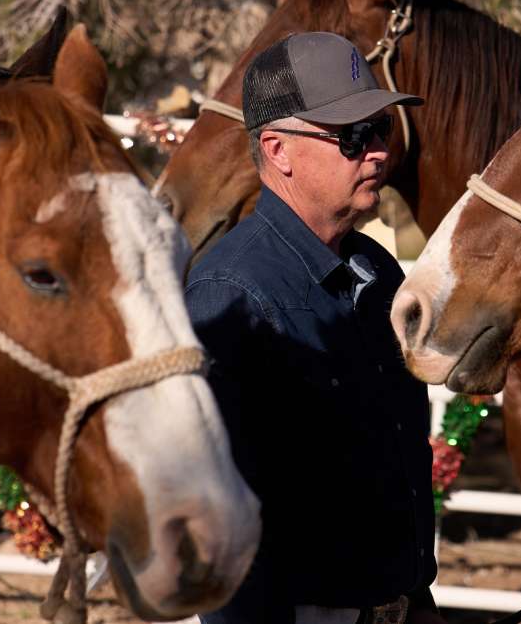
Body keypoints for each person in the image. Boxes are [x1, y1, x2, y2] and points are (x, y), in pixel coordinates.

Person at [187, 32, 443, 624]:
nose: (379, 151)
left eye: (380, 129)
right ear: (277, 149)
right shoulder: (227, 296)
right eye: (353, 136)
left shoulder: (376, 271)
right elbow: (217, 528)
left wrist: (416, 601)